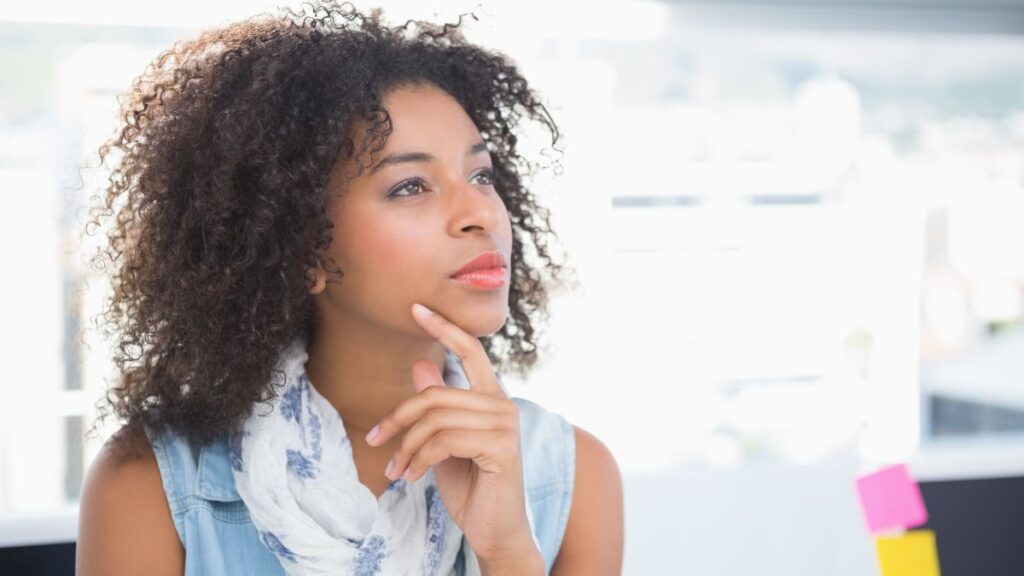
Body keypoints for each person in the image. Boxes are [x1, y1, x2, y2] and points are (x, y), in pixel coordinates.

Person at [75, 1, 623, 575]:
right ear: (303, 249)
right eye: (411, 186)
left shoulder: (575, 476)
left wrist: (506, 551)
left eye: (481, 174)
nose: (480, 214)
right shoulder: (151, 484)